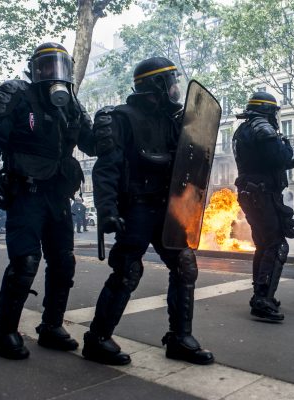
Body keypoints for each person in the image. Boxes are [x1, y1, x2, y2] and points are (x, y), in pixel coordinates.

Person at [83, 57, 214, 366]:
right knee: (128, 271)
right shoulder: (123, 118)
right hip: (137, 207)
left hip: (167, 209)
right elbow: (106, 168)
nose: (176, 88)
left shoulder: (174, 121)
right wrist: (107, 209)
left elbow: (188, 164)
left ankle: (179, 338)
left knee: (184, 265)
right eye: (171, 82)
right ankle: (97, 339)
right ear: (156, 85)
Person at [0, 43, 94, 359]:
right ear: (34, 70)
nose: (53, 73)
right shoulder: (17, 95)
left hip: (58, 195)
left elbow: (92, 143)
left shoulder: (71, 105)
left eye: (60, 66)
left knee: (63, 261)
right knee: (25, 261)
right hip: (26, 192)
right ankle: (4, 331)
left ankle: (51, 326)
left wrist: (111, 127)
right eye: (45, 66)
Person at [233, 92, 294, 321]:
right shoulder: (263, 128)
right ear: (268, 111)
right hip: (262, 194)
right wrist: (286, 148)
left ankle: (261, 293)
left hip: (252, 192)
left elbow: (263, 160)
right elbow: (278, 156)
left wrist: (291, 163)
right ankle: (262, 299)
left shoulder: (244, 130)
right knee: (276, 246)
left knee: (263, 245)